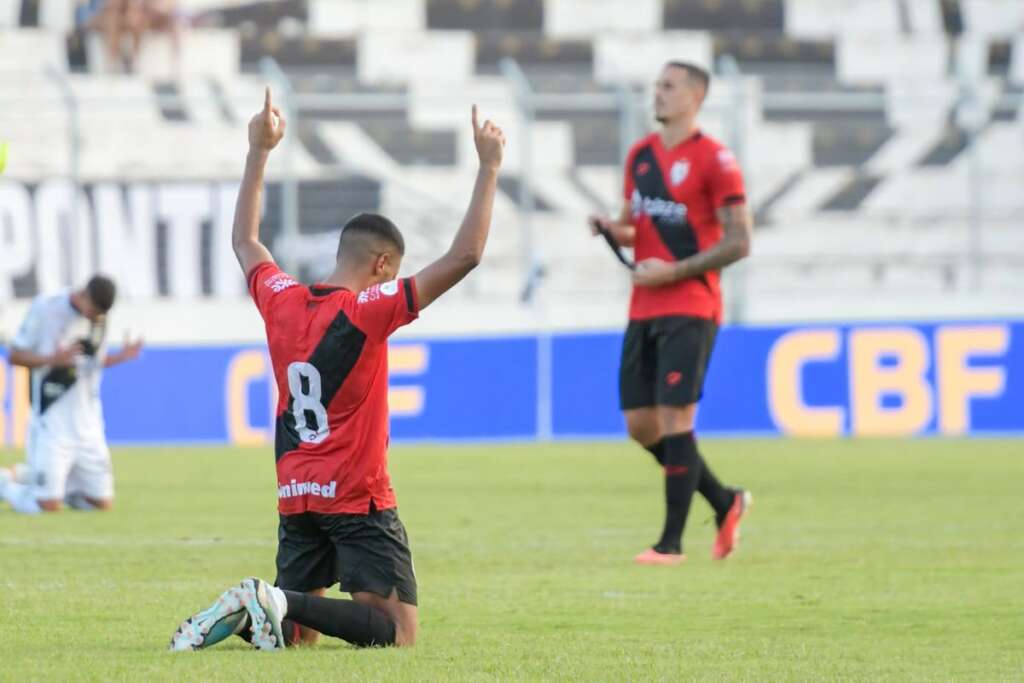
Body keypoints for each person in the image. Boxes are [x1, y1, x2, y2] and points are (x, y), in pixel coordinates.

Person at [169, 88, 506, 651]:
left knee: (298, 639)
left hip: (295, 493)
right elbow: (464, 256)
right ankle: (272, 598)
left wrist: (258, 150)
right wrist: (489, 167)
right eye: (390, 271)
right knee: (398, 633)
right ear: (382, 264)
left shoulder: (280, 298)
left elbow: (245, 240)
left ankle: (260, 610)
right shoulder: (369, 310)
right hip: (356, 494)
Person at [589, 61, 754, 565]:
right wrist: (610, 229)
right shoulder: (640, 156)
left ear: (695, 97)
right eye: (656, 85)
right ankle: (724, 501)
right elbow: (633, 227)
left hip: (691, 305)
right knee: (641, 425)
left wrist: (674, 271)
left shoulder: (716, 159)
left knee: (676, 418)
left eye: (668, 86)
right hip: (644, 306)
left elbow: (739, 241)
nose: (657, 93)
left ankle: (671, 544)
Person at [0, 275, 143, 513]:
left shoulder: (99, 318)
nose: (96, 318)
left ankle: (38, 478)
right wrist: (53, 360)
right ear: (85, 296)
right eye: (94, 312)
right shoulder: (46, 308)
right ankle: (4, 485)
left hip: (88, 424)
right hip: (52, 421)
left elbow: (90, 363)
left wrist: (120, 357)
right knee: (45, 506)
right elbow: (15, 356)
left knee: (100, 505)